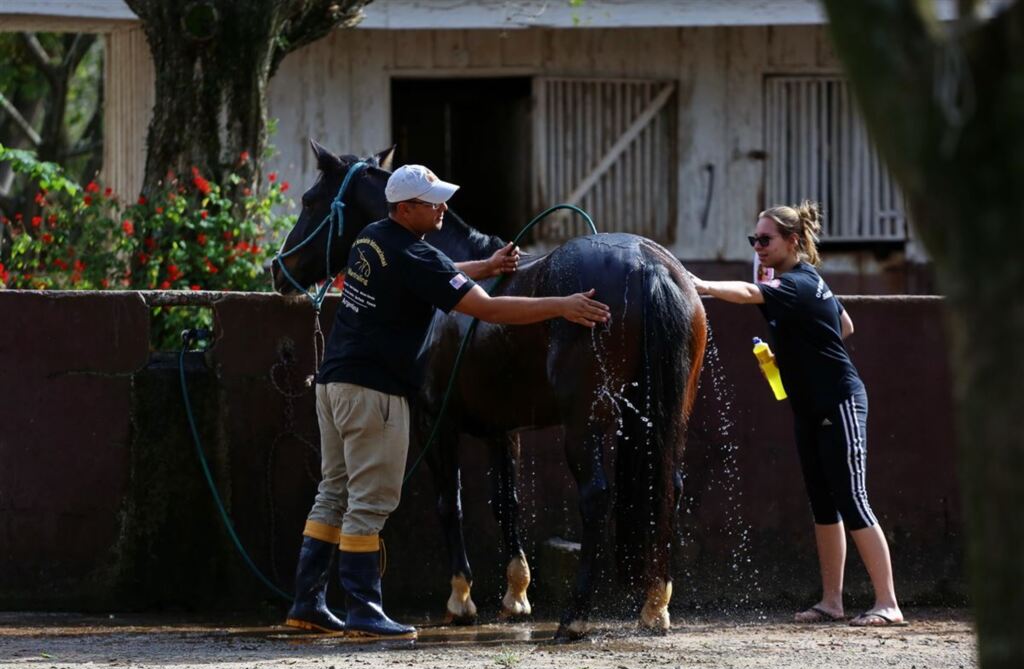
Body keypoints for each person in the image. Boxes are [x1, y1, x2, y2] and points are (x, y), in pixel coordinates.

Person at [285, 164, 610, 638]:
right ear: (405, 208)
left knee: (333, 492)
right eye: (432, 201)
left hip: (334, 387)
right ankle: (362, 609)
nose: (442, 209)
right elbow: (490, 309)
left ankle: (307, 603)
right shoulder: (415, 253)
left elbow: (431, 275)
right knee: (371, 500)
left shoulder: (372, 239)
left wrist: (487, 266)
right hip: (374, 393)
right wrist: (562, 305)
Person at [691, 201, 906, 627]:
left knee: (853, 500)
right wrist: (793, 349)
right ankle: (832, 602)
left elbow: (750, 293)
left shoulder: (795, 284)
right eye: (754, 240)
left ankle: (888, 603)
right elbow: (844, 325)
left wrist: (699, 283)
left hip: (839, 401)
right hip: (809, 408)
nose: (758, 247)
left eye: (766, 239)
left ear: (792, 241)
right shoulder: (804, 282)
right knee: (824, 505)